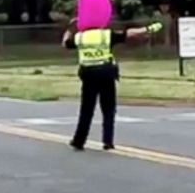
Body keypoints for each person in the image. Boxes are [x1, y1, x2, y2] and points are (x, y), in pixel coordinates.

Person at [62, 18, 163, 151]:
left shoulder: (80, 37)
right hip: (106, 73)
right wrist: (148, 29)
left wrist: (70, 28)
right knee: (108, 108)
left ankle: (79, 140)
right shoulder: (106, 34)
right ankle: (108, 141)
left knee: (86, 109)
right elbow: (129, 33)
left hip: (89, 75)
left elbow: (65, 43)